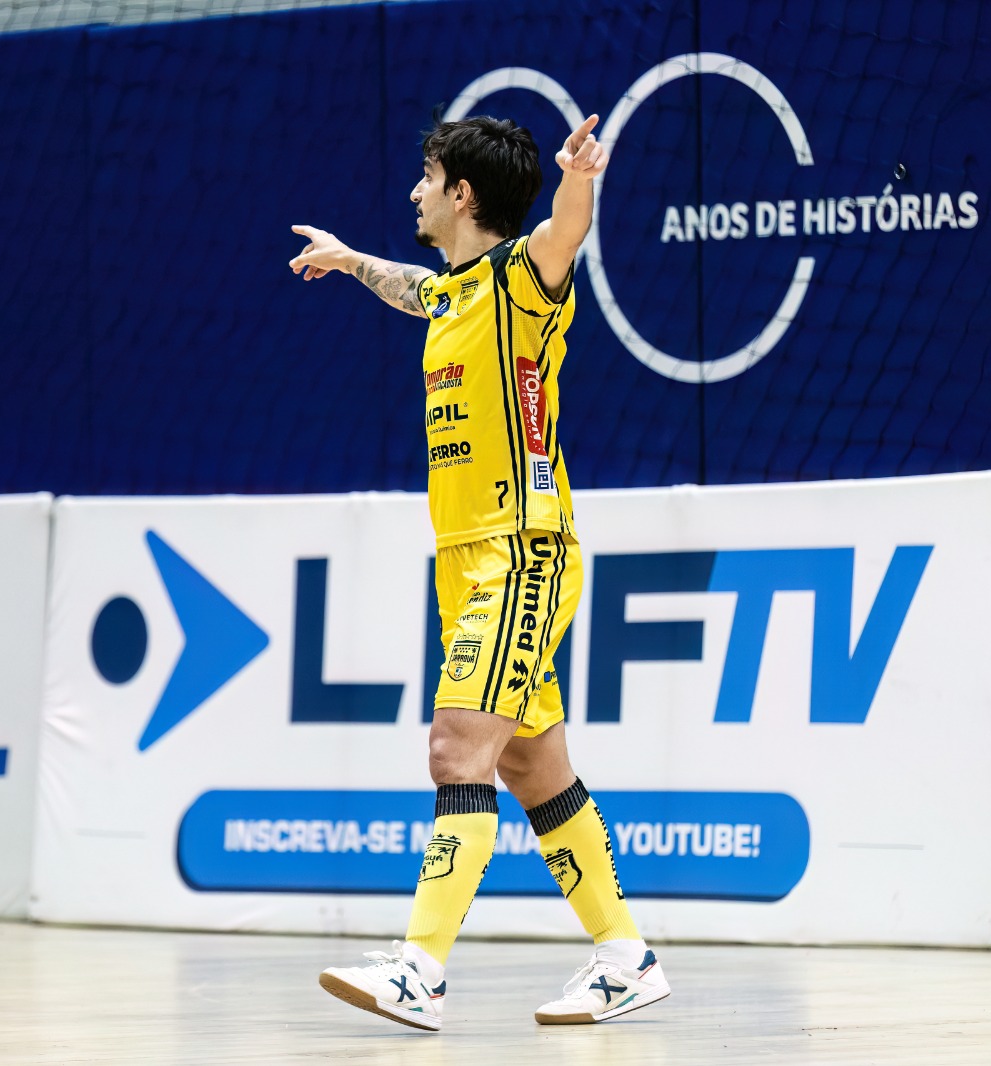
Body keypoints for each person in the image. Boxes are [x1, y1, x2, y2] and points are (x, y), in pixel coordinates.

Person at [287, 112, 670, 1032]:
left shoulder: (520, 283)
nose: (414, 193)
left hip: (518, 550)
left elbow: (563, 235)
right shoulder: (453, 294)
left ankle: (420, 970)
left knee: (456, 749)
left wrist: (579, 177)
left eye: (427, 178)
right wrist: (348, 260)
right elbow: (413, 286)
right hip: (467, 560)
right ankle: (625, 958)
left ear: (462, 193)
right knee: (535, 768)